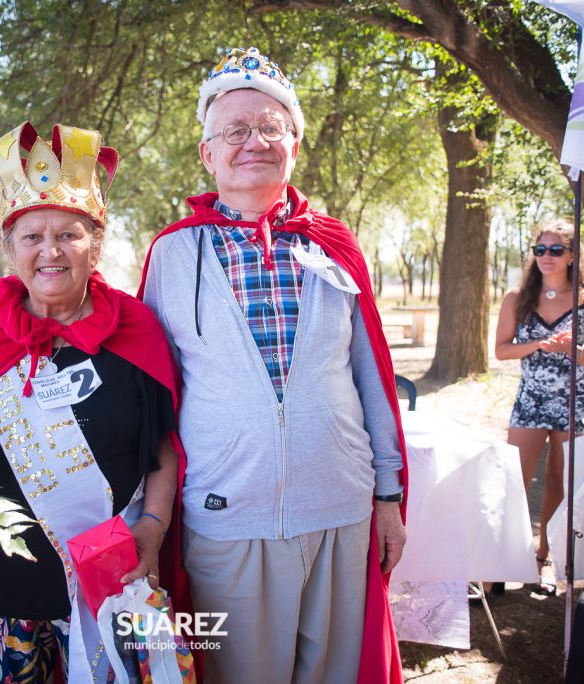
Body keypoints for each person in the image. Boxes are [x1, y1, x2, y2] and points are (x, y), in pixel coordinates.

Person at [138, 47, 408, 684]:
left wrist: (389, 496)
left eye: (270, 127)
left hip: (340, 511)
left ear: (294, 144)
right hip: (227, 515)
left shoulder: (334, 245)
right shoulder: (173, 254)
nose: (253, 141)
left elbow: (374, 378)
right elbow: (153, 393)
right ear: (208, 155)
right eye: (234, 130)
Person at [0, 122, 183, 684]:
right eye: (32, 236)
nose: (50, 251)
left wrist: (152, 532)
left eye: (69, 234)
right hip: (1, 583)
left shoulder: (137, 331)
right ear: (11, 249)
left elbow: (163, 447)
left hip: (112, 575)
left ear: (96, 244)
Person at [495, 220, 584, 595]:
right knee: (514, 479)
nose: (546, 256)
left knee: (558, 483)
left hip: (573, 402)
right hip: (531, 399)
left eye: (555, 250)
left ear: (572, 256)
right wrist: (541, 345)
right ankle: (496, 564)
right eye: (540, 250)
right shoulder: (517, 298)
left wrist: (571, 351)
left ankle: (542, 561)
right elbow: (501, 350)